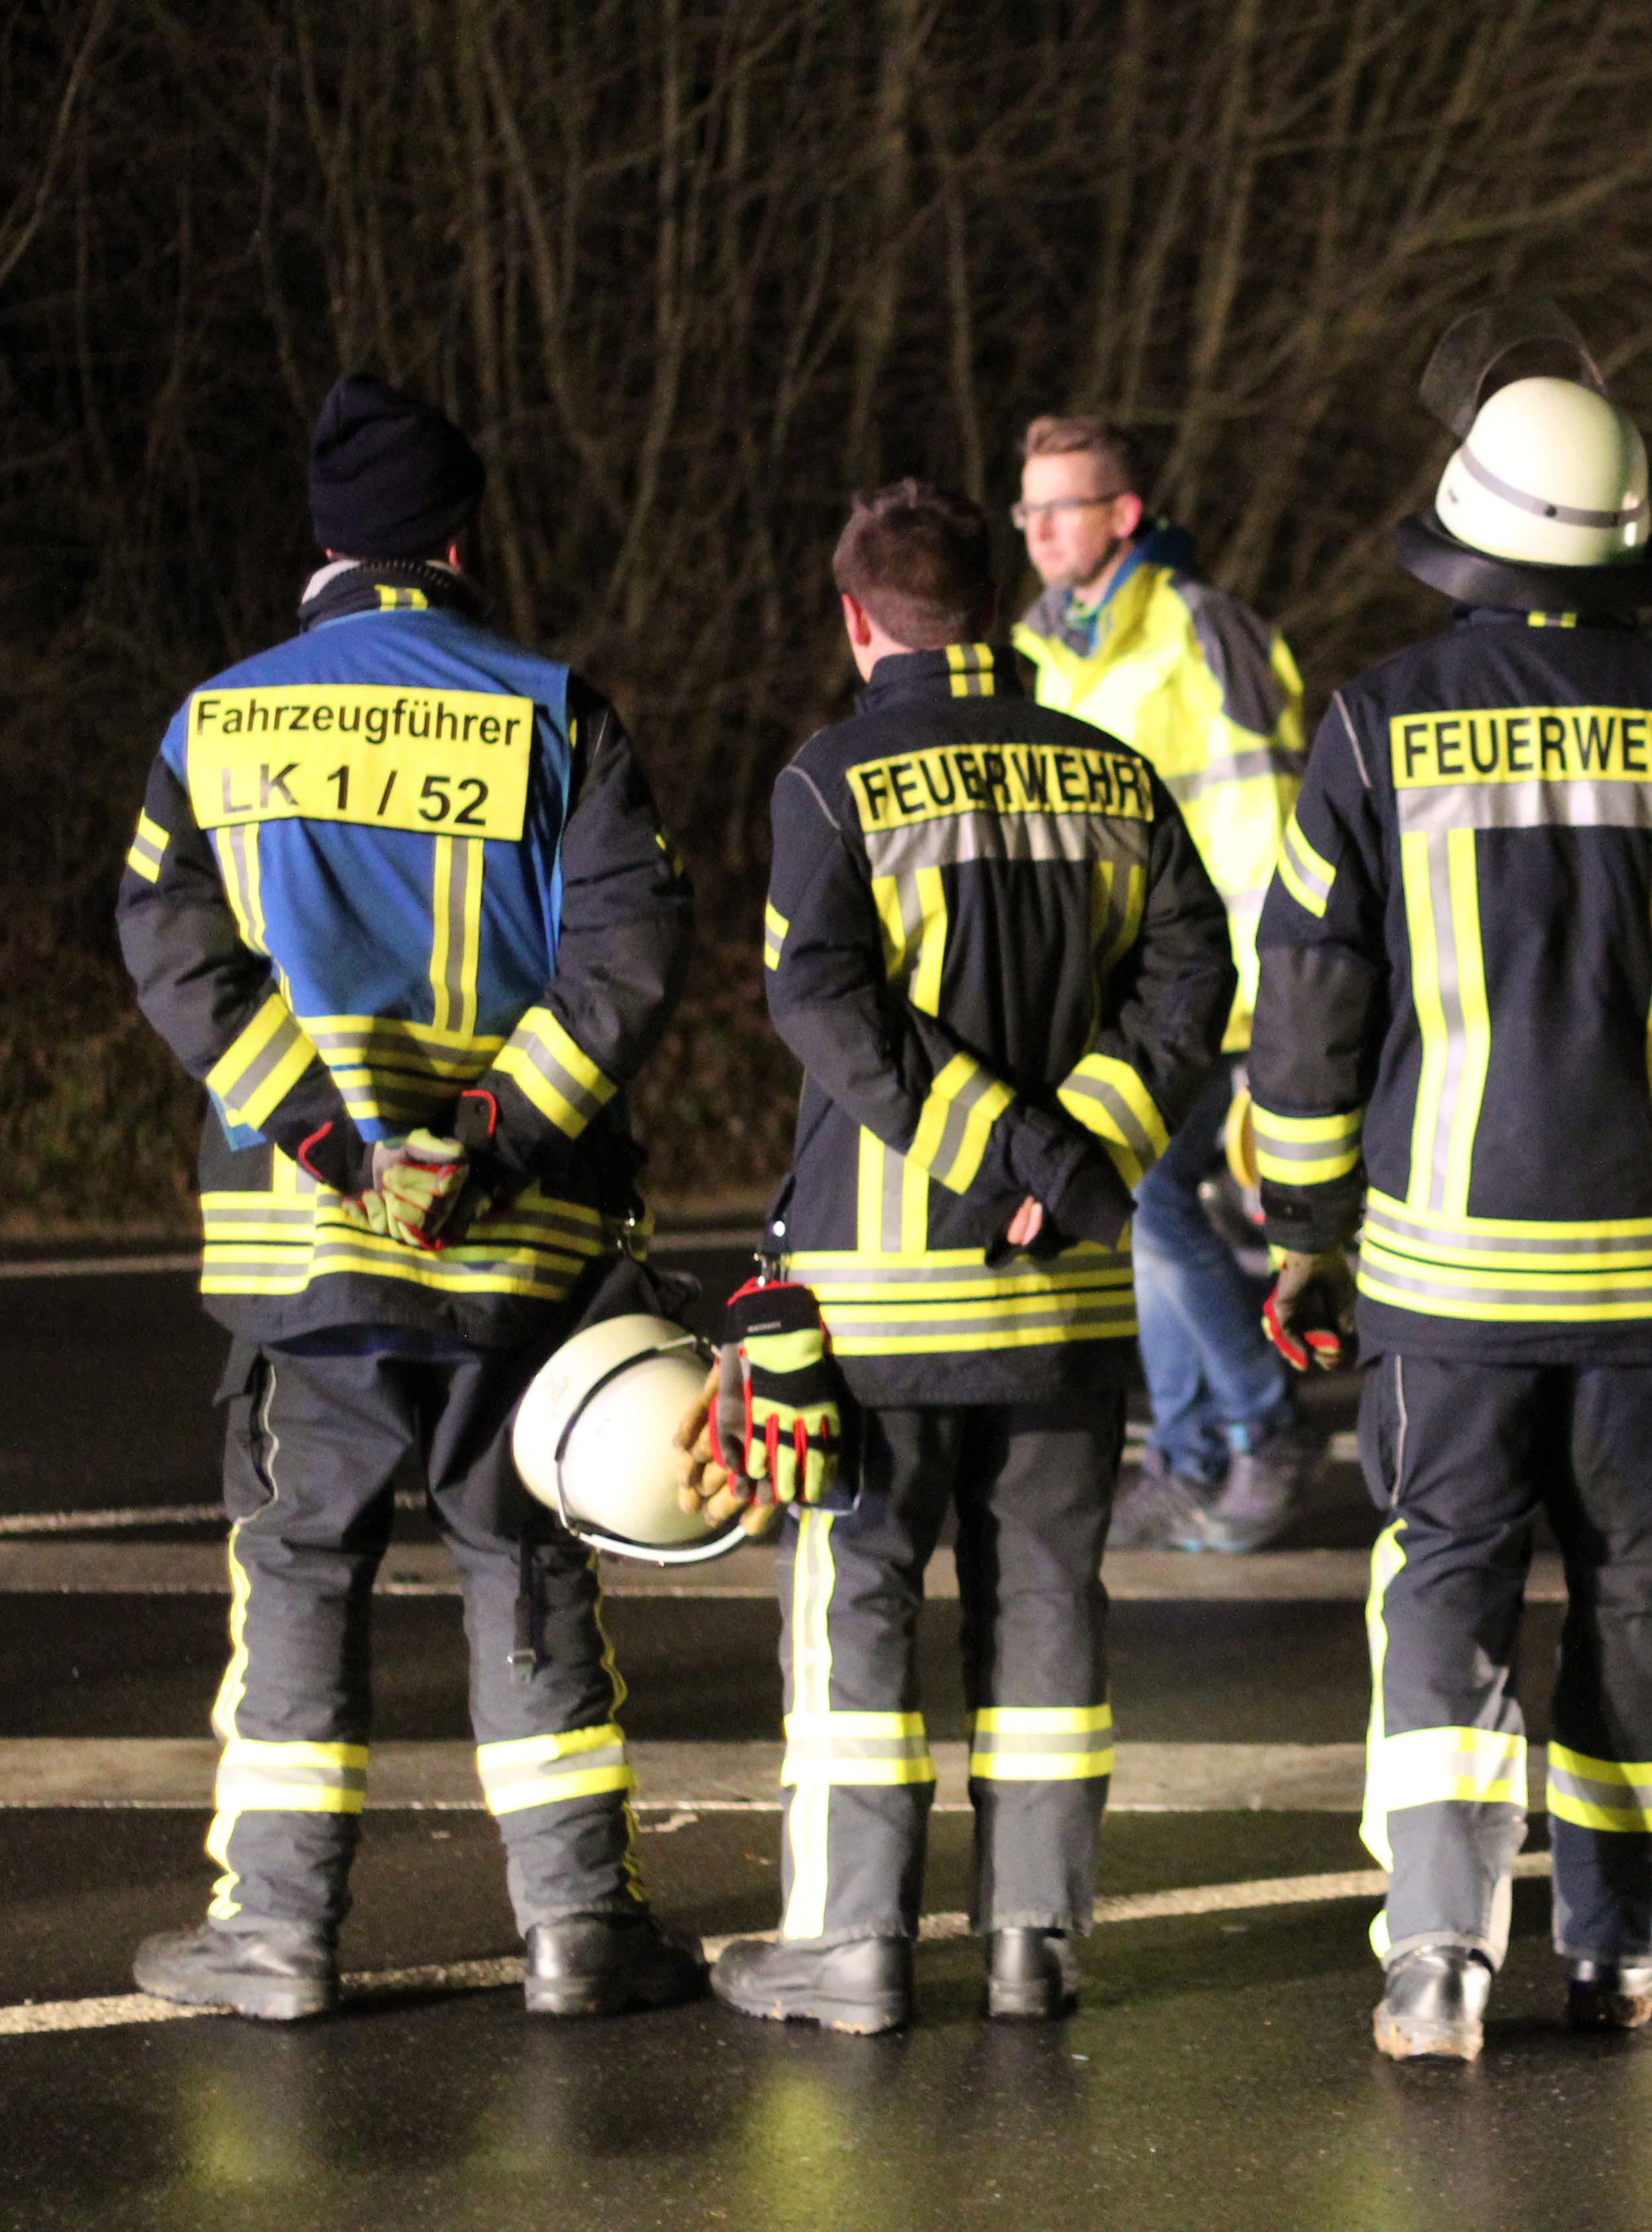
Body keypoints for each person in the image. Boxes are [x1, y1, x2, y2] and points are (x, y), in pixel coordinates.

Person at [1250, 330, 1652, 2061]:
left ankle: (1438, 1956)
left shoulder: (1375, 721)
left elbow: (1310, 1005)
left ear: (1467, 531)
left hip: (1445, 1277)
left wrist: (1306, 1234)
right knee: (1641, 1596)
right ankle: (1624, 1946)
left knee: (1446, 1582)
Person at [115, 374, 703, 2020]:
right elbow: (629, 958)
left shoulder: (217, 721)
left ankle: (278, 1932)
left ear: (324, 541)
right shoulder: (556, 713)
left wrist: (334, 1143)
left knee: (303, 1565)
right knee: (526, 1556)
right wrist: (489, 1141)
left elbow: (172, 950)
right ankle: (578, 1927)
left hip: (311, 1247)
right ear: (455, 541)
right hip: (517, 1247)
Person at [707, 481, 1232, 2036]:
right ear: (995, 606)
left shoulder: (831, 779)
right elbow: (1194, 982)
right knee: (1048, 1606)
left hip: (876, 1303)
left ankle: (854, 1948)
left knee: (858, 1605)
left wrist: (1001, 1152)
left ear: (856, 619)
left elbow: (825, 1006)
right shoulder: (1112, 772)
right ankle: (1032, 1946)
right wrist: (1073, 1155)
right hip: (1062, 1296)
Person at [1010, 417, 1318, 1553]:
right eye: (1028, 508)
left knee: (1142, 1205)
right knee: (1141, 1214)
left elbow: (1271, 813)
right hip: (1120, 997)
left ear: (1124, 514)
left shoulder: (1202, 627)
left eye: (1064, 506)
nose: (1040, 529)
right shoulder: (1043, 648)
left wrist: (1282, 997)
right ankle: (1188, 1460)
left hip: (1221, 988)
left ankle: (1260, 1427)